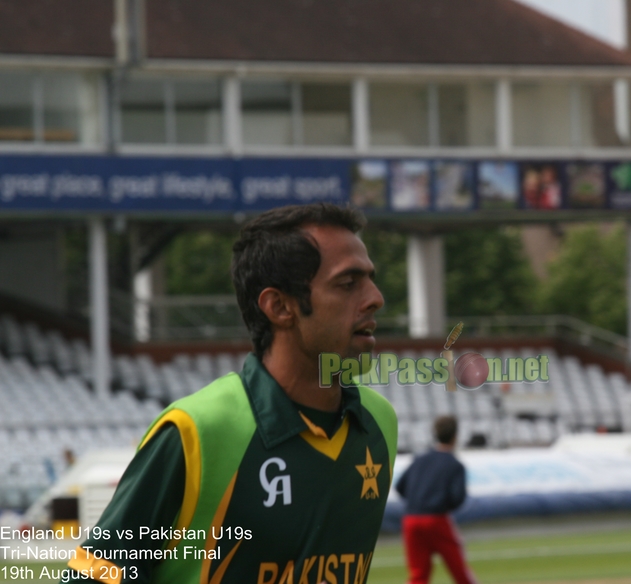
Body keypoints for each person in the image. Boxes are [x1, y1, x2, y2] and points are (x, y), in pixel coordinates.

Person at [62, 203, 397, 584]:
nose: (375, 298)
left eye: (370, 279)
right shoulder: (199, 430)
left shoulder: (378, 423)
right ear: (279, 306)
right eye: (348, 283)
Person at [395, 416, 477, 584]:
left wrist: (417, 500)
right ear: (455, 436)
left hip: (411, 519)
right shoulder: (454, 464)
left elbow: (400, 486)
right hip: (436, 518)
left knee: (418, 574)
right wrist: (438, 503)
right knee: (458, 569)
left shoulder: (419, 460)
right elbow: (458, 497)